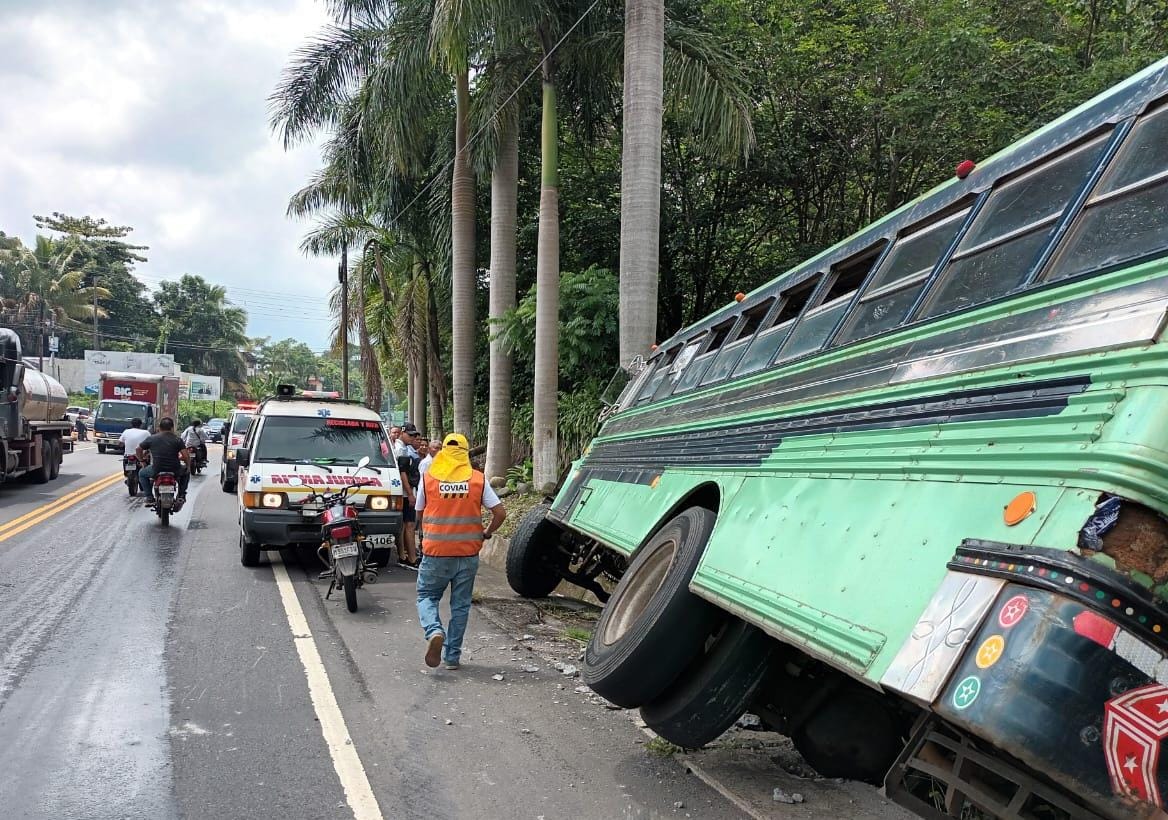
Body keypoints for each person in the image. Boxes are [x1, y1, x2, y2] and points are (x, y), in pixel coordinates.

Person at [415, 433, 506, 670]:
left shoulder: (428, 478)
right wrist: (486, 533)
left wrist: (422, 534)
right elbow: (500, 513)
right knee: (461, 605)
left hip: (436, 552)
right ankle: (452, 657)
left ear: (443, 451)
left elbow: (419, 512)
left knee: (427, 596)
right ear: (465, 453)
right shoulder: (477, 480)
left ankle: (434, 631)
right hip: (467, 553)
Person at [138, 417, 191, 503]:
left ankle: (149, 496)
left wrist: (142, 461)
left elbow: (138, 449)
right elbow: (186, 456)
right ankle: (181, 494)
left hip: (156, 469)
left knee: (141, 473)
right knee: (186, 473)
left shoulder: (152, 438)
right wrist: (188, 466)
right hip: (175, 469)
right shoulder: (177, 440)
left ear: (159, 427)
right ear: (172, 428)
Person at [396, 423, 423, 566]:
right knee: (409, 525)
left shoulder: (403, 448)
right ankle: (411, 558)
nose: (413, 438)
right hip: (405, 493)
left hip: (403, 492)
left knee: (404, 525)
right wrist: (410, 494)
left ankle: (403, 555)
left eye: (414, 435)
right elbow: (403, 473)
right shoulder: (401, 450)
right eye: (410, 435)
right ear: (402, 432)